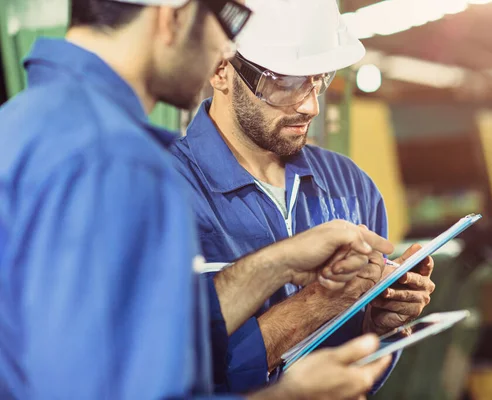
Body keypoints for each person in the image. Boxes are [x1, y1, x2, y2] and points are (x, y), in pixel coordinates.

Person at [0, 0, 397, 398]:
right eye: (225, 22)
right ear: (174, 15)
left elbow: (132, 335)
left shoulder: (27, 125)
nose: (224, 45)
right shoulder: (111, 157)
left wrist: (281, 263)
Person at [169, 0, 437, 393]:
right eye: (285, 82)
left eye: (319, 78)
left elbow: (359, 375)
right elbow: (168, 364)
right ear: (220, 68)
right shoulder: (167, 191)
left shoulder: (351, 187)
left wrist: (379, 326)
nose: (310, 105)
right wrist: (316, 306)